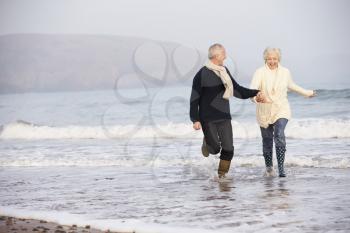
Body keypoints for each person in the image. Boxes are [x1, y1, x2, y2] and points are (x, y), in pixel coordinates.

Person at [190, 43, 265, 178]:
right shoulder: (201, 75)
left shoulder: (224, 71)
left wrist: (255, 92)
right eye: (223, 53)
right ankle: (207, 142)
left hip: (224, 115)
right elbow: (194, 99)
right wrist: (195, 119)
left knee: (229, 149)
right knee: (214, 149)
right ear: (216, 55)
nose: (226, 55)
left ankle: (221, 177)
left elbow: (236, 89)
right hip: (207, 118)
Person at [250, 47, 316, 177]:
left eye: (274, 58)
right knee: (267, 139)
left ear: (278, 59)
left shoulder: (285, 72)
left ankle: (281, 168)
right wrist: (255, 97)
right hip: (264, 109)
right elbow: (253, 88)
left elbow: (292, 85)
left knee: (279, 134)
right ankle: (269, 168)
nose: (272, 61)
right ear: (265, 59)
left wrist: (307, 93)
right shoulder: (260, 72)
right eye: (269, 58)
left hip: (281, 108)